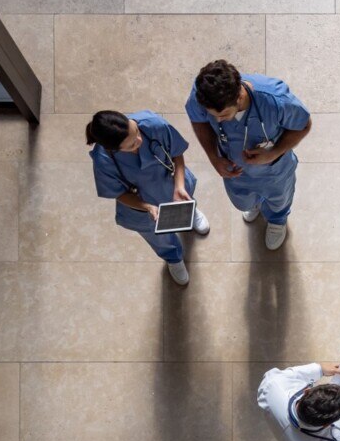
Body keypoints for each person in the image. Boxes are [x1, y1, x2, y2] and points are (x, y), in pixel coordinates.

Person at [185, 59, 312, 250]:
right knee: (243, 201)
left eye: (223, 115)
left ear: (238, 97)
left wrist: (273, 153)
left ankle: (277, 221)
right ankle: (255, 204)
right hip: (235, 170)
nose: (217, 120)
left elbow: (304, 124)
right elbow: (198, 120)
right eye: (213, 115)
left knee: (279, 201)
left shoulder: (276, 101)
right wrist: (213, 157)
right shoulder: (202, 96)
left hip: (274, 171)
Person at [86, 109, 209, 285]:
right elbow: (119, 194)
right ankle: (173, 258)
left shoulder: (154, 124)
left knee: (185, 199)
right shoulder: (103, 160)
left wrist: (179, 185)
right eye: (130, 146)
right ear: (113, 149)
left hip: (171, 184)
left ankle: (191, 213)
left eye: (135, 132)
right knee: (159, 237)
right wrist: (147, 207)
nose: (139, 141)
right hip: (142, 205)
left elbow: (176, 154)